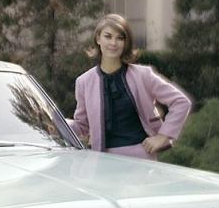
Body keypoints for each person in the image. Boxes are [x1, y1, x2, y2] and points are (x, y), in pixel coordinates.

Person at [71, 14, 191, 159]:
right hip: (102, 161)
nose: (113, 43)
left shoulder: (143, 75)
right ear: (98, 39)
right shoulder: (84, 82)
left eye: (120, 38)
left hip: (140, 157)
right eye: (108, 36)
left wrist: (163, 136)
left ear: (126, 43)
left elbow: (181, 102)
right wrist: (55, 124)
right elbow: (82, 125)